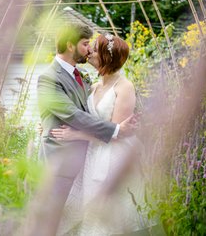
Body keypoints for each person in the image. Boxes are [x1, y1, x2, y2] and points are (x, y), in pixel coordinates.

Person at [34, 24, 136, 236]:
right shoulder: (49, 78)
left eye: (92, 46)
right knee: (54, 222)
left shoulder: (86, 78)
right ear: (71, 45)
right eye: (85, 44)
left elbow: (87, 112)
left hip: (94, 158)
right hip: (61, 163)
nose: (89, 49)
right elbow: (72, 114)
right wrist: (115, 129)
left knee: (92, 219)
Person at [51, 34, 157, 235]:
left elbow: (117, 132)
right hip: (94, 155)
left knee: (112, 215)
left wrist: (76, 136)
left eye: (94, 49)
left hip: (114, 157)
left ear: (107, 57)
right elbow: (82, 117)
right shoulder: (94, 86)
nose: (89, 51)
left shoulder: (124, 87)